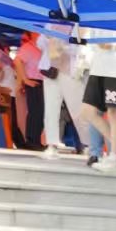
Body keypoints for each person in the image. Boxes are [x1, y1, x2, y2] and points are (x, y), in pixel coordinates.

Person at [82, 35, 116, 170]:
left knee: (113, 112)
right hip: (97, 69)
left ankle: (114, 156)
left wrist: (112, 46)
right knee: (87, 111)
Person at [38, 23, 83, 157]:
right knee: (51, 108)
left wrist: (63, 47)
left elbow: (80, 48)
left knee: (77, 109)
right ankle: (51, 144)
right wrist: (48, 39)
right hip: (52, 71)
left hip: (69, 71)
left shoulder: (77, 24)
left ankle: (87, 144)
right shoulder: (50, 24)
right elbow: (39, 43)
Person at [14, 31, 44, 150]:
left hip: (42, 81)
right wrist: (25, 79)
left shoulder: (41, 47)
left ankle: (36, 140)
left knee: (40, 112)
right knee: (36, 112)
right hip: (34, 81)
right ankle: (32, 140)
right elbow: (17, 61)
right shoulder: (28, 47)